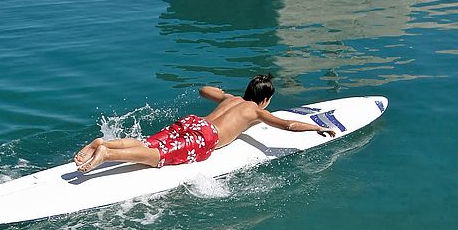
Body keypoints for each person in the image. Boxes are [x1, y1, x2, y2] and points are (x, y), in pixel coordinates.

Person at [73, 74, 335, 173]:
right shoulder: (255, 111)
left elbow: (203, 90)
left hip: (193, 123)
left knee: (150, 142)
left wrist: (221, 92)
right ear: (265, 99)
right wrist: (316, 127)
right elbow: (288, 125)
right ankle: (107, 154)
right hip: (205, 137)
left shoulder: (232, 98)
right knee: (158, 155)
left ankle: (104, 143)